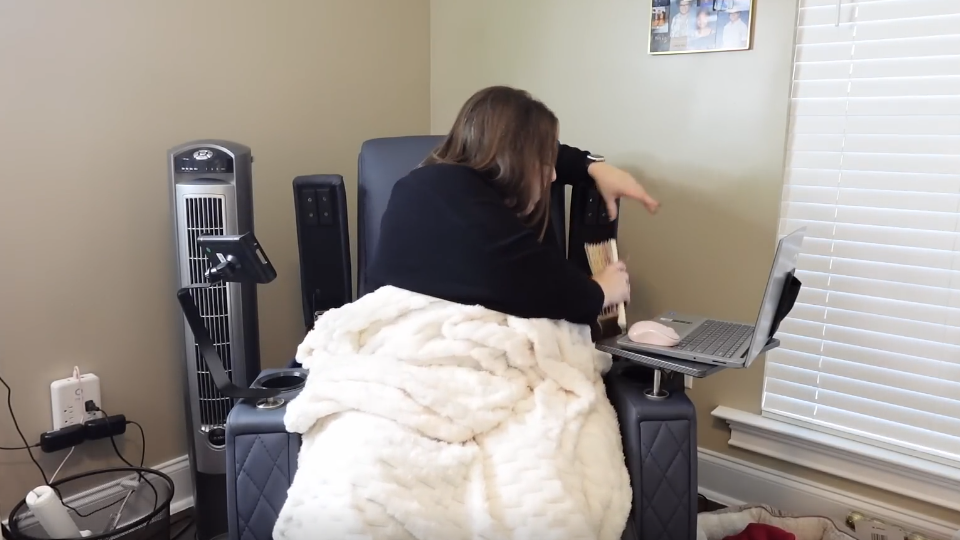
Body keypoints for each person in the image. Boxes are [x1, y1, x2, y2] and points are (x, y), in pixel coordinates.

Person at [366, 86, 660, 327]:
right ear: (513, 159)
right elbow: (533, 277)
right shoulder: (452, 196)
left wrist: (592, 167)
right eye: (545, 163)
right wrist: (600, 291)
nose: (553, 176)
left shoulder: (435, 182)